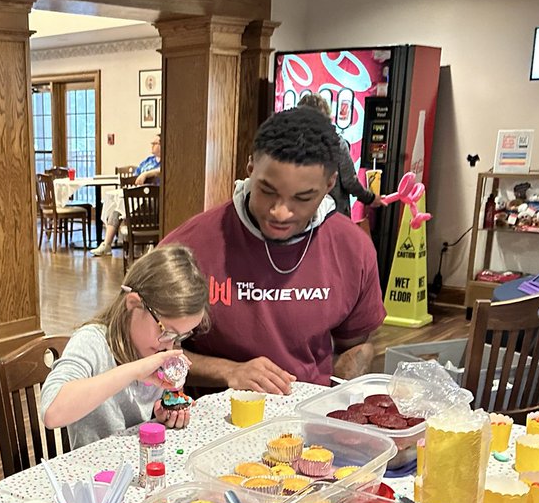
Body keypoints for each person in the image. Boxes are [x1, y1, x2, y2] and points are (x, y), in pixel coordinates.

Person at [160, 107, 385, 393]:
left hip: (306, 418)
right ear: (251, 169)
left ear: (329, 185)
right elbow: (145, 352)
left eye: (303, 198)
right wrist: (228, 371)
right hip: (209, 419)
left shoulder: (353, 247)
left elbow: (356, 345)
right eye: (267, 190)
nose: (280, 213)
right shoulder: (190, 245)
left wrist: (343, 390)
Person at [41, 245, 206, 447]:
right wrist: (135, 371)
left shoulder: (154, 348)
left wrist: (163, 412)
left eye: (179, 336)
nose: (169, 344)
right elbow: (52, 413)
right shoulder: (93, 342)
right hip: (96, 473)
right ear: (134, 304)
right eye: (166, 331)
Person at [297, 93, 377, 218]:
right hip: (333, 215)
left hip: (302, 215)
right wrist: (370, 198)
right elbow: (349, 182)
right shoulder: (337, 143)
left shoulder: (292, 144)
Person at [90, 134, 162, 256]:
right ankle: (106, 244)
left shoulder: (166, 161)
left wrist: (146, 175)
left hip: (152, 201)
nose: (152, 145)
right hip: (136, 196)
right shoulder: (148, 161)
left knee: (124, 207)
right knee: (117, 209)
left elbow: (161, 171)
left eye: (155, 143)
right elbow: (135, 176)